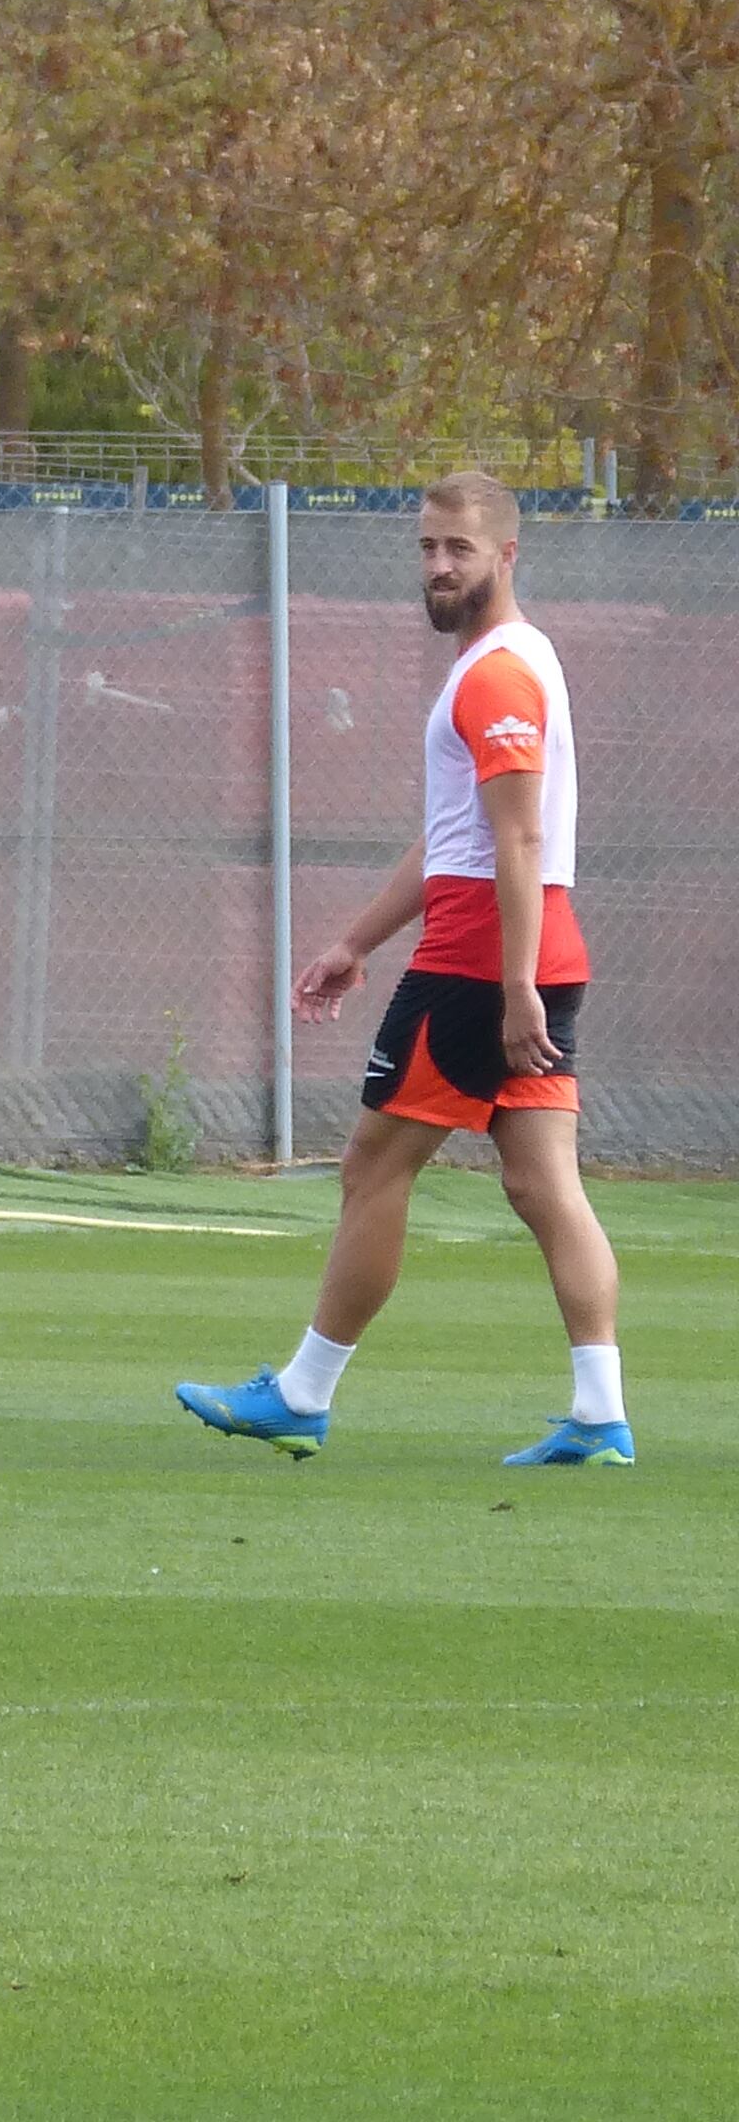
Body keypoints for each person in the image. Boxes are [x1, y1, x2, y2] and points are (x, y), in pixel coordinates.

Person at [179, 470, 627, 1466]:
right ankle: (602, 1415)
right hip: (534, 950)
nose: (438, 565)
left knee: (375, 1168)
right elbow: (459, 834)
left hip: (481, 962)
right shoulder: (515, 660)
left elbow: (517, 841)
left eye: (459, 548)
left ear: (507, 555)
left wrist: (513, 986)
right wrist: (357, 942)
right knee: (543, 1183)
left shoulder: (499, 675)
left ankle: (302, 1395)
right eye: (427, 547)